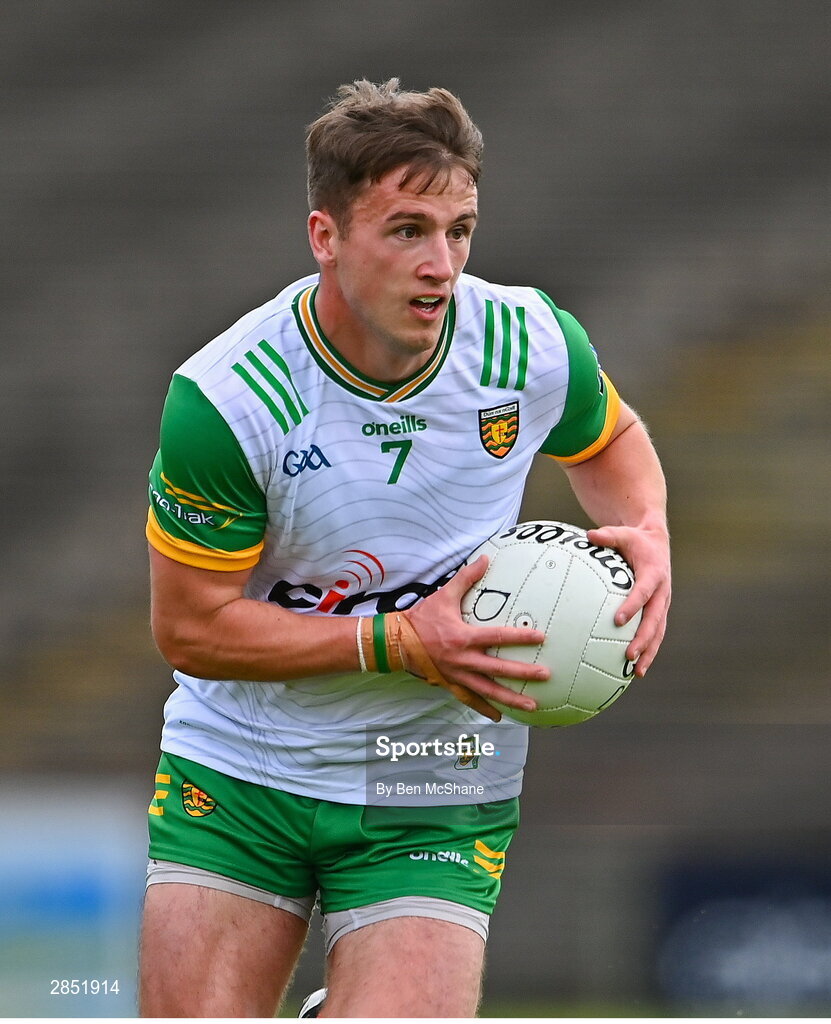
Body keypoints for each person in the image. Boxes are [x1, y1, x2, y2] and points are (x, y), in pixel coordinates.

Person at [139, 78, 671, 1018]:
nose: (442, 264)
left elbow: (610, 440)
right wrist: (395, 641)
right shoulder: (229, 400)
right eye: (407, 231)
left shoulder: (529, 341)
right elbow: (191, 631)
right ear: (326, 236)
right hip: (245, 770)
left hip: (433, 772)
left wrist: (648, 534)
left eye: (459, 230)